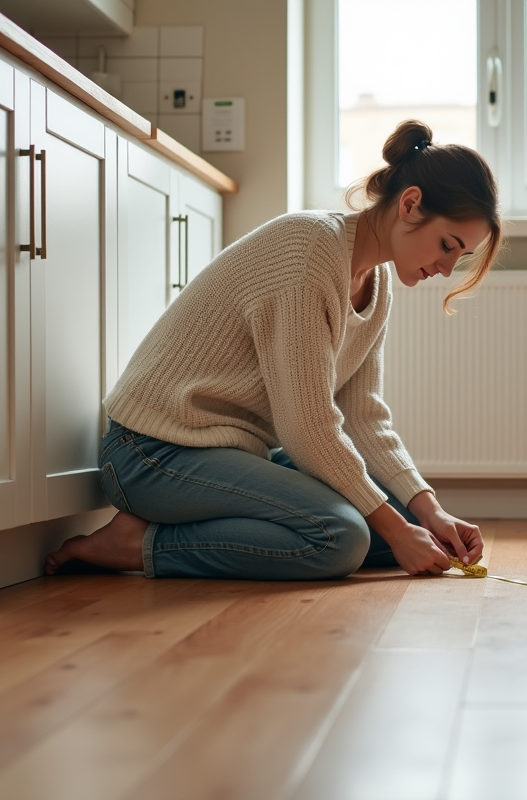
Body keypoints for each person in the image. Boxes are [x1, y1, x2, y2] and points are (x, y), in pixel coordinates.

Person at [45, 120, 503, 580]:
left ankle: (201, 523)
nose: (445, 269)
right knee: (342, 536)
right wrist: (399, 529)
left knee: (400, 516)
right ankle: (139, 543)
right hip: (152, 453)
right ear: (410, 204)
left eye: (458, 257)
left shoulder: (377, 284)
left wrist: (431, 512)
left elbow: (362, 414)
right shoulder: (308, 251)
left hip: (236, 452)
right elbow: (306, 427)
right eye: (447, 246)